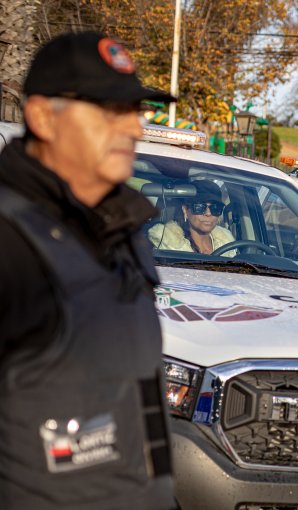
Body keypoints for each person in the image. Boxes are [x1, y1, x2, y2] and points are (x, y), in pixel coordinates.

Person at [0, 32, 176, 509]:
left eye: (135, 110)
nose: (134, 128)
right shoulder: (11, 243)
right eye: (108, 110)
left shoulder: (126, 230)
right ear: (41, 116)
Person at [147, 180, 235, 255]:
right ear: (185, 210)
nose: (208, 213)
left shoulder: (228, 245)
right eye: (199, 207)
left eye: (215, 208)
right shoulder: (166, 244)